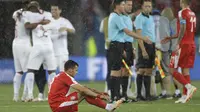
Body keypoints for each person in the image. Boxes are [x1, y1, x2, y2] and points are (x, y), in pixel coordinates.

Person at [108, 0, 151, 102]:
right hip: (116, 45)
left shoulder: (121, 17)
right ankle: (114, 96)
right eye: (123, 4)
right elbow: (127, 32)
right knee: (116, 71)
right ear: (117, 6)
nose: (124, 6)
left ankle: (120, 96)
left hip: (120, 45)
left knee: (120, 71)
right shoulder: (115, 17)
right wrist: (142, 38)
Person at [48, 60, 123, 112]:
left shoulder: (62, 75)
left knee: (85, 91)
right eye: (76, 70)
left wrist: (99, 93)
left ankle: (109, 107)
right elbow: (83, 90)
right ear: (70, 70)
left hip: (59, 103)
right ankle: (109, 107)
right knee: (84, 93)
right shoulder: (66, 77)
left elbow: (84, 88)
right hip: (58, 106)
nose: (76, 72)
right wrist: (99, 96)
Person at [162, 0, 197, 103]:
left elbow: (183, 28)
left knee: (171, 70)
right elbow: (188, 31)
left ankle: (188, 87)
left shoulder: (182, 12)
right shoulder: (193, 14)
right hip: (191, 44)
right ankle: (185, 95)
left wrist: (177, 43)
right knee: (185, 70)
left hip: (183, 45)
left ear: (182, 2)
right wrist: (171, 37)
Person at [24, 1, 56, 101]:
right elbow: (49, 23)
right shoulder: (47, 14)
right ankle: (51, 94)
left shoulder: (28, 15)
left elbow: (27, 26)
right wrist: (41, 22)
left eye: (32, 8)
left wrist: (37, 23)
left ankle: (30, 95)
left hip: (39, 46)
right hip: (48, 47)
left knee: (31, 70)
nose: (32, 10)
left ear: (37, 7)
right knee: (51, 71)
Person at [134, 0, 156, 101]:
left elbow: (151, 32)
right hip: (144, 45)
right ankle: (139, 95)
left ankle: (147, 95)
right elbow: (139, 36)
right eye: (146, 6)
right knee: (141, 70)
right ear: (142, 7)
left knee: (149, 71)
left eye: (149, 6)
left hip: (152, 45)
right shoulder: (139, 18)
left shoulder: (151, 17)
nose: (148, 8)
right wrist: (143, 50)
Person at [12, 0, 31, 102]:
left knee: (18, 72)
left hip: (15, 43)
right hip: (24, 44)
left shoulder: (16, 12)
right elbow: (28, 26)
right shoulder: (28, 15)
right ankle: (26, 95)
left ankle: (15, 96)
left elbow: (16, 17)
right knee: (28, 71)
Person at [152, 9, 173, 99]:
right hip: (165, 48)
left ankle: (152, 94)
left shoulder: (149, 19)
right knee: (165, 71)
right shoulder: (165, 21)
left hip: (153, 48)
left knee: (152, 72)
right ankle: (167, 93)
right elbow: (171, 34)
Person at [121, 0, 135, 100]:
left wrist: (133, 47)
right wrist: (122, 48)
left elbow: (130, 35)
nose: (130, 7)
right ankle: (119, 94)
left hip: (129, 45)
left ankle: (124, 94)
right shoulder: (120, 17)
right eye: (128, 5)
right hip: (123, 45)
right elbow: (120, 33)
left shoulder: (128, 18)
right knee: (121, 70)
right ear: (123, 5)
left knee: (127, 70)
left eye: (131, 5)